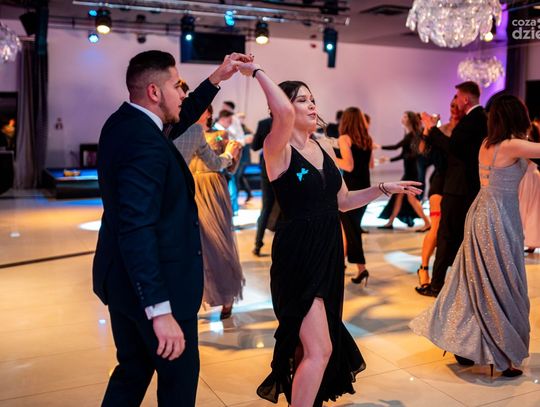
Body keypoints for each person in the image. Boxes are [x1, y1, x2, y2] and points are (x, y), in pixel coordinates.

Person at [236, 62, 422, 406]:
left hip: (329, 252)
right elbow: (280, 112)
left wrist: (383, 188)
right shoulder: (278, 148)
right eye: (302, 100)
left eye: (313, 99)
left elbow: (344, 201)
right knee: (320, 348)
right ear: (284, 108)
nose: (312, 105)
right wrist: (258, 71)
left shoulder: (323, 147)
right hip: (298, 255)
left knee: (311, 346)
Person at [92, 50, 249, 406]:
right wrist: (160, 311)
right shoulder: (144, 144)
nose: (182, 93)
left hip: (122, 281)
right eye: (176, 86)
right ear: (154, 92)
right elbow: (137, 227)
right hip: (159, 288)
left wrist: (217, 78)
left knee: (132, 371)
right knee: (178, 385)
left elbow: (182, 116)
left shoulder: (125, 122)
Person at [411, 95, 540, 377]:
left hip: (482, 213)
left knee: (478, 281)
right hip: (499, 217)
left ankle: (469, 343)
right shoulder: (512, 145)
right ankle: (503, 353)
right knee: (501, 283)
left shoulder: (488, 143)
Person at [416, 81, 488, 297]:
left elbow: (453, 149)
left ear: (465, 99)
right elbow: (428, 150)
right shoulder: (478, 119)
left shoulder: (472, 120)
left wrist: (431, 128)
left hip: (457, 187)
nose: (455, 103)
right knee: (450, 234)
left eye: (457, 97)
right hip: (455, 184)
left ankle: (437, 283)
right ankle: (443, 278)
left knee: (446, 235)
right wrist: (430, 130)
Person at [189, 120, 245, 320]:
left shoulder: (220, 135)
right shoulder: (185, 132)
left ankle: (227, 296)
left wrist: (234, 154)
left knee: (219, 244)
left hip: (213, 188)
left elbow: (230, 169)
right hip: (190, 188)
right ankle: (196, 296)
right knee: (195, 246)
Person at [415, 98, 464, 290]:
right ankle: (423, 268)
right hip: (440, 184)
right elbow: (422, 149)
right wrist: (429, 128)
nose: (455, 109)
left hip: (459, 186)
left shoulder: (467, 131)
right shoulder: (441, 130)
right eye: (452, 105)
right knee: (436, 229)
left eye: (458, 105)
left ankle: (446, 271)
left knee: (451, 232)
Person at [333, 107, 373, 285]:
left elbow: (348, 166)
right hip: (365, 188)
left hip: (349, 191)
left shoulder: (345, 138)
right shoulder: (368, 139)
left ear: (345, 121)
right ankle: (346, 266)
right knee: (348, 229)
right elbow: (370, 165)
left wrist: (329, 157)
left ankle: (359, 268)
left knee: (350, 230)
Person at [378, 111, 431, 230]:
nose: (403, 118)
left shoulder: (414, 134)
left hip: (413, 172)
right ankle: (390, 222)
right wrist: (388, 160)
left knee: (411, 198)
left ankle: (427, 222)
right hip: (409, 171)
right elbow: (403, 154)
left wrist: (380, 147)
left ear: (410, 119)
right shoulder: (408, 134)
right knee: (399, 195)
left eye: (405, 116)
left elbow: (402, 149)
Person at [251, 116, 275, 256]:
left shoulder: (264, 123)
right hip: (287, 168)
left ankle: (257, 244)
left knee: (266, 208)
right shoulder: (289, 120)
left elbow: (255, 146)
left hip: (268, 168)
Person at [519, 119, 540, 253]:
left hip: (527, 177)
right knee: (532, 209)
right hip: (533, 177)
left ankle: (529, 239)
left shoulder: (528, 146)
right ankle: (530, 240)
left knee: (526, 208)